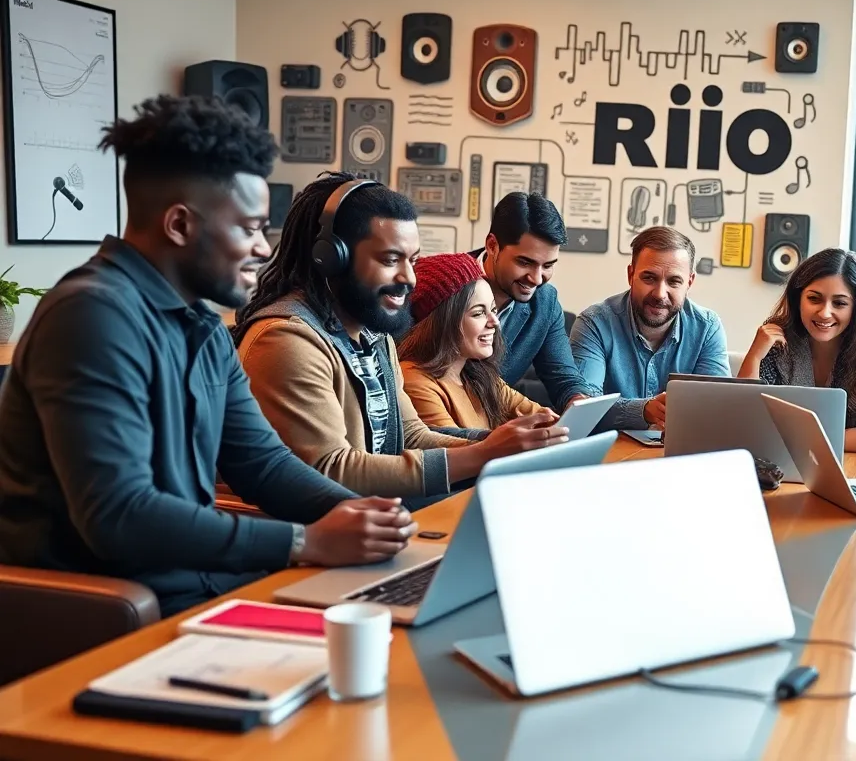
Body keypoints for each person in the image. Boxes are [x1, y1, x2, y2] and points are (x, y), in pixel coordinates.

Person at [0, 95, 419, 615]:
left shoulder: (201, 323)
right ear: (180, 225)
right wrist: (303, 543)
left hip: (199, 588)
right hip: (107, 614)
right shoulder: (91, 317)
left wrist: (361, 515)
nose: (264, 247)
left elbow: (260, 463)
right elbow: (120, 516)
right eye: (248, 228)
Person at [232, 173, 568, 508]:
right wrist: (483, 454)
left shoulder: (376, 336)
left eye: (413, 261)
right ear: (332, 257)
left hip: (373, 517)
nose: (409, 278)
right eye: (391, 260)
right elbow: (331, 468)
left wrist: (506, 443)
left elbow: (411, 437)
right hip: (313, 535)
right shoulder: (286, 338)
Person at [738, 247, 856, 453]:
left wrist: (803, 438)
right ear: (798, 298)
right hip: (787, 466)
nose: (825, 313)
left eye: (840, 303)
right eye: (814, 299)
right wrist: (755, 355)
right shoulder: (777, 335)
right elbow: (747, 421)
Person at [569, 226, 730, 430]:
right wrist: (643, 410)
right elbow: (583, 408)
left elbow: (717, 408)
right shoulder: (594, 323)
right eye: (649, 278)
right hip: (610, 454)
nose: (660, 294)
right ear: (630, 274)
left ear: (689, 282)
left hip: (679, 455)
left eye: (674, 281)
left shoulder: (707, 328)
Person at [398, 253, 558, 430]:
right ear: (442, 323)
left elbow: (540, 416)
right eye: (478, 313)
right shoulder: (414, 380)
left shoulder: (476, 372)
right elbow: (459, 451)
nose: (494, 322)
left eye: (493, 309)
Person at [466, 192, 592, 409]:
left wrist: (577, 402)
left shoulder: (545, 302)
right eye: (525, 262)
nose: (536, 278)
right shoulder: (444, 284)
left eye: (548, 265)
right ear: (492, 245)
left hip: (495, 428)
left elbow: (562, 376)